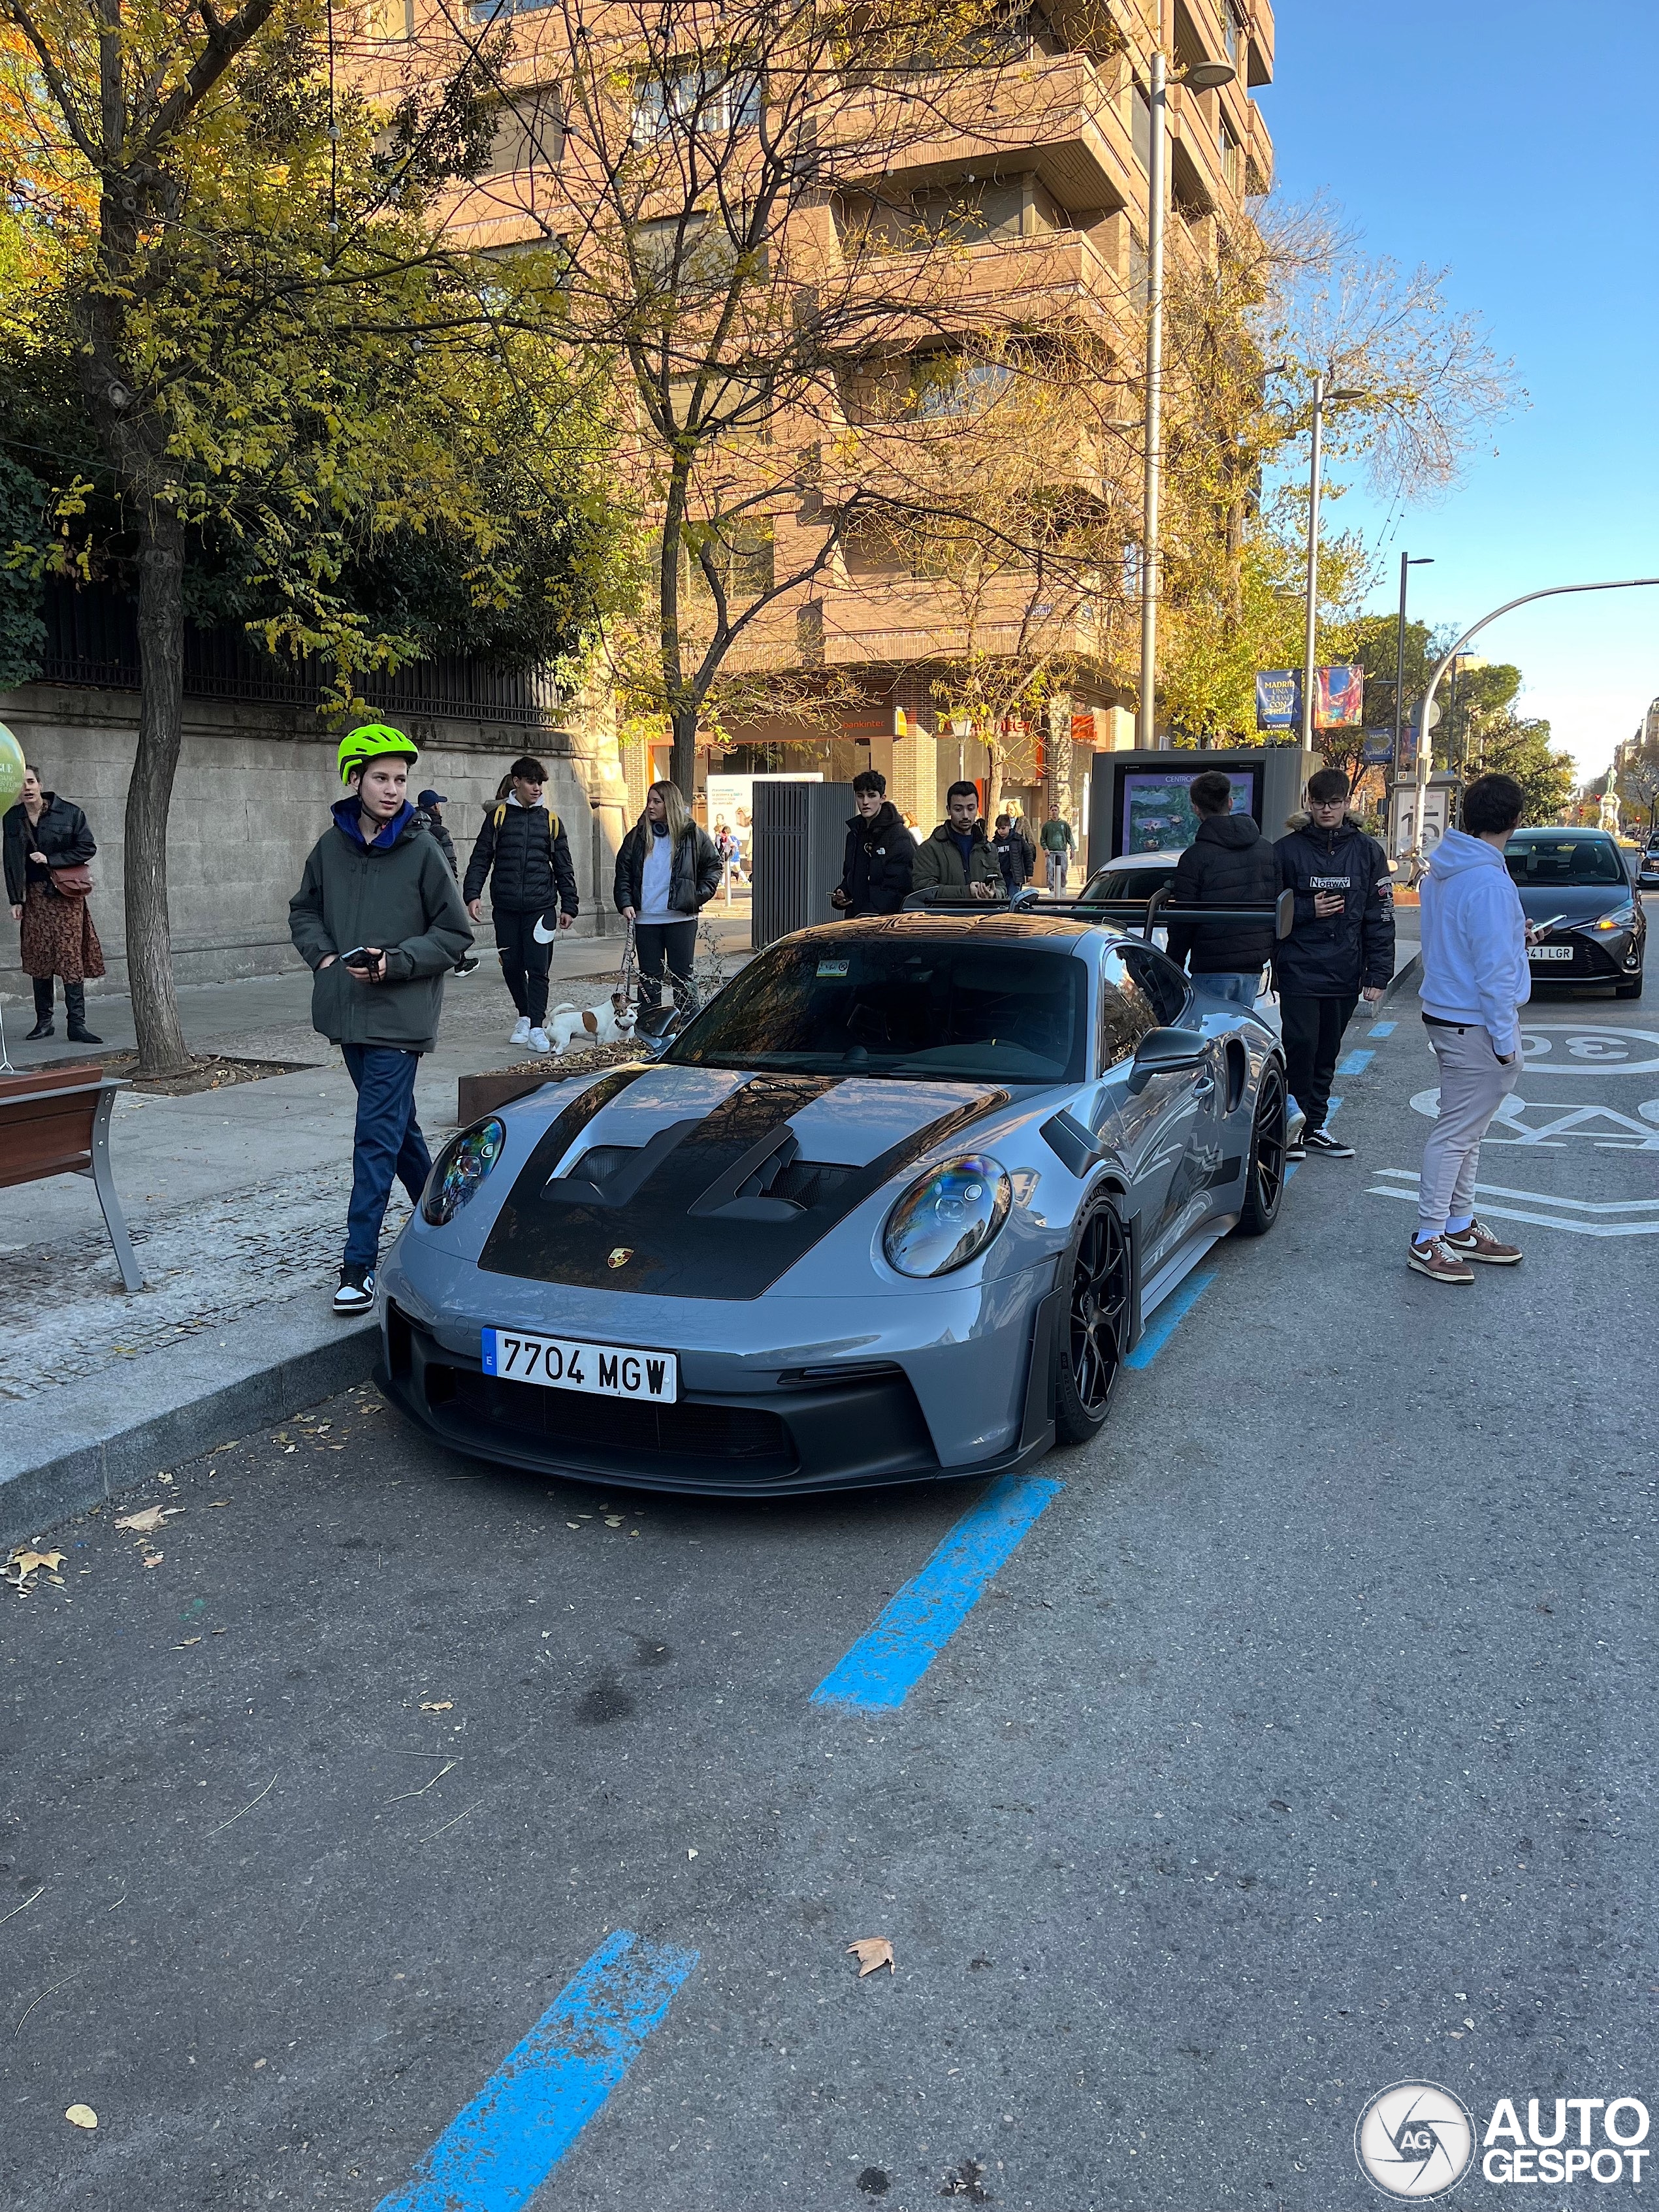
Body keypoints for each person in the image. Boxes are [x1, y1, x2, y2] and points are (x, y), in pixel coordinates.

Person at [288, 725, 472, 1315]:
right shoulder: (329, 847)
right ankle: (453, 1228)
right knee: (398, 1132)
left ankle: (357, 1266)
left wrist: (396, 961)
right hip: (348, 1013)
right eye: (381, 777)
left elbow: (455, 934)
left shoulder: (422, 849)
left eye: (400, 779)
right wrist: (321, 956)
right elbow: (304, 908)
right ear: (356, 779)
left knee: (374, 1136)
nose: (393, 789)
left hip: (400, 1014)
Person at [1408, 773, 1530, 1284]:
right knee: (1458, 1132)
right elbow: (1495, 972)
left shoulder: (1445, 871)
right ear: (1515, 821)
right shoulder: (1490, 881)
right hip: (1475, 1021)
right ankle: (1428, 1236)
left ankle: (1457, 1226)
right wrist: (1506, 1043)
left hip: (1446, 1011)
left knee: (1466, 1130)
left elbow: (1458, 941)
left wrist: (1512, 935)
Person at [1274, 767, 1394, 1161]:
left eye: (1335, 802)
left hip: (1345, 969)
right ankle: (1289, 1125)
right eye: (1320, 802)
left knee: (1328, 1051)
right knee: (1300, 1047)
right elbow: (1270, 911)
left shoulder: (1367, 851)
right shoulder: (1286, 850)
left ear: (1347, 804)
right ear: (1308, 803)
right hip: (1298, 969)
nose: (1327, 810)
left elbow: (1381, 916)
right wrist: (1308, 909)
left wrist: (1379, 974)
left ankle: (1314, 1127)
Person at [462, 755, 579, 1053]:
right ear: (516, 782)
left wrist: (569, 905)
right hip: (506, 907)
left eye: (540, 783)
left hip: (541, 907)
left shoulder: (551, 821)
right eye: (531, 782)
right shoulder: (498, 818)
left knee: (538, 968)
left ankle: (538, 1027)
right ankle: (525, 1016)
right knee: (512, 966)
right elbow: (481, 858)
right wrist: (472, 894)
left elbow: (564, 866)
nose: (537, 788)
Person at [3, 764, 104, 1042]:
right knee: (39, 958)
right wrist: (16, 898)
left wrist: (51, 860)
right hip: (34, 898)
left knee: (70, 957)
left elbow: (87, 847)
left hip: (65, 896)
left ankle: (77, 1025)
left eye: (31, 782)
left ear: (39, 784)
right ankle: (44, 1022)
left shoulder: (69, 813)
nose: (26, 788)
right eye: (21, 784)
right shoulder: (12, 818)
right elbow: (10, 860)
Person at [1165, 770, 1281, 1007]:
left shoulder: (1195, 857)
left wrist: (1173, 963)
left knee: (1210, 1036)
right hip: (1254, 965)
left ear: (1196, 808)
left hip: (1211, 965)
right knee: (1242, 1036)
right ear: (1230, 802)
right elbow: (1279, 905)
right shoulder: (1266, 850)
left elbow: (1183, 918)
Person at [613, 780, 721, 1011]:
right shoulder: (637, 836)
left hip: (681, 919)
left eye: (656, 801)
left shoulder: (692, 834)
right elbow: (623, 870)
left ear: (669, 804)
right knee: (649, 980)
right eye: (649, 801)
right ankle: (650, 1031)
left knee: (683, 978)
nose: (650, 806)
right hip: (646, 919)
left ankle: (686, 1029)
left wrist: (696, 896)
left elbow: (713, 865)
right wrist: (625, 902)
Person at [831, 768, 915, 917]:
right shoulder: (854, 834)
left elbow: (900, 886)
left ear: (883, 798)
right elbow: (851, 874)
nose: (865, 802)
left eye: (871, 796)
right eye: (860, 796)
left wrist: (869, 913)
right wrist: (843, 893)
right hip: (856, 920)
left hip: (883, 923)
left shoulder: (898, 835)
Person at [414, 788, 480, 977]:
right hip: (440, 885)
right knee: (451, 923)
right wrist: (452, 885)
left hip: (418, 885)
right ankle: (461, 963)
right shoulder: (440, 831)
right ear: (435, 806)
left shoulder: (411, 827)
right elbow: (450, 861)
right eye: (439, 804)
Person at [910, 782, 1004, 903]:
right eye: (958, 809)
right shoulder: (930, 849)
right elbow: (923, 890)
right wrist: (966, 892)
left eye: (971, 808)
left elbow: (1000, 884)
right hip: (944, 919)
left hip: (983, 917)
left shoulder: (988, 848)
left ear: (977, 808)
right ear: (948, 810)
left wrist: (994, 894)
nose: (965, 815)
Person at [991, 812, 1031, 897]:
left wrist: (1029, 873)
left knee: (1013, 898)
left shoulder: (1018, 839)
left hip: (1015, 876)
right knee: (1002, 898)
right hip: (1001, 876)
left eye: (1003, 828)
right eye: (998, 828)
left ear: (1009, 827)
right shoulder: (995, 843)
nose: (1000, 831)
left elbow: (1028, 855)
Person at [1040, 804, 1076, 893]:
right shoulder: (1047, 825)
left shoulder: (1064, 824)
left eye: (1056, 810)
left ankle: (1062, 887)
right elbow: (1043, 839)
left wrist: (1073, 848)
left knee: (1063, 870)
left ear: (1059, 811)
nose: (1054, 812)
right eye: (1052, 810)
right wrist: (1045, 848)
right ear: (1050, 812)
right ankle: (1052, 889)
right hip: (1051, 852)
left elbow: (1069, 837)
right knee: (1050, 870)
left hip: (1062, 851)